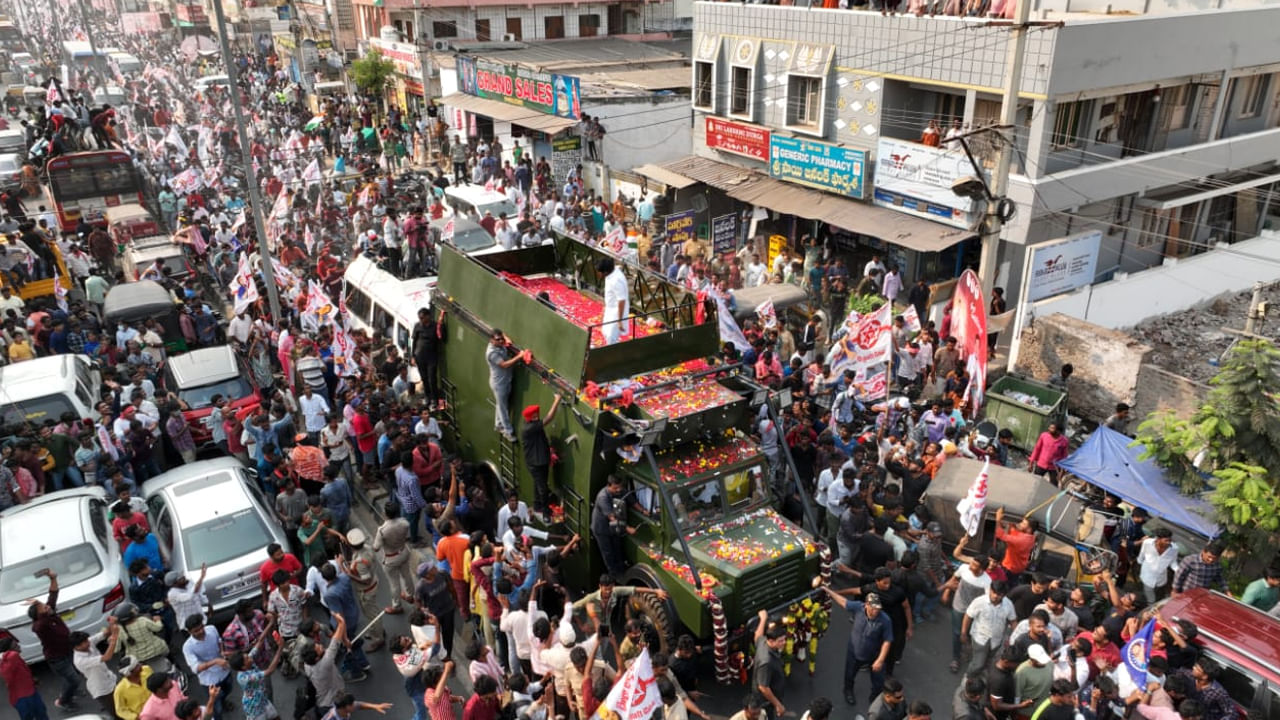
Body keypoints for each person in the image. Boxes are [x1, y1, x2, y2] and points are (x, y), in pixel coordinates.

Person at [821, 585, 892, 707]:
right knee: (849, 674)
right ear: (866, 605)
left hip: (874, 654)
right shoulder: (858, 608)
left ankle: (875, 697)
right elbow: (844, 602)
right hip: (854, 651)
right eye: (874, 608)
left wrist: (880, 660)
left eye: (878, 609)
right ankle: (848, 691)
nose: (876, 611)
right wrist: (829, 591)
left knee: (878, 680)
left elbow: (887, 640)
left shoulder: (885, 620)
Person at [28, 569, 81, 710]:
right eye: (44, 608)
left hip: (67, 651)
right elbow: (40, 624)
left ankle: (69, 692)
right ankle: (63, 701)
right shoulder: (41, 626)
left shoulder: (49, 614)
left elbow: (53, 594)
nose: (49, 607)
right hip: (57, 659)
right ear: (39, 616)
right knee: (74, 680)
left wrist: (53, 578)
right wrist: (38, 603)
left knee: (71, 676)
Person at [183, 615, 233, 720]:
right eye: (196, 631)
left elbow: (219, 641)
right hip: (210, 680)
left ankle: (224, 701)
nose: (201, 631)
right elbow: (195, 668)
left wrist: (222, 651)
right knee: (217, 707)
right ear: (189, 632)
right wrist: (215, 661)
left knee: (228, 689)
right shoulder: (188, 647)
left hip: (224, 671)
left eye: (202, 627)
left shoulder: (211, 629)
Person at [521, 395, 563, 519]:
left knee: (539, 484)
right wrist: (556, 400)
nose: (537, 416)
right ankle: (545, 512)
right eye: (535, 415)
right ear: (531, 417)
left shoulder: (531, 425)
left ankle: (537, 505)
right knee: (543, 488)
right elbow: (548, 418)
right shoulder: (529, 427)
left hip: (540, 460)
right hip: (535, 464)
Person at [962, 580, 1017, 674]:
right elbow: (968, 616)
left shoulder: (1008, 605)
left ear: (1004, 595)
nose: (995, 596)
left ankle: (980, 675)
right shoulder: (979, 601)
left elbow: (1013, 621)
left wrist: (1015, 637)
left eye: (999, 594)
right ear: (990, 590)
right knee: (978, 663)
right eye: (994, 592)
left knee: (988, 660)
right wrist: (963, 633)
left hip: (996, 640)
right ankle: (969, 680)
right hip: (980, 638)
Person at [591, 474, 637, 578]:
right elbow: (611, 517)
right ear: (609, 486)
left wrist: (643, 510)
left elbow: (633, 502)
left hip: (615, 527)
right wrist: (627, 528)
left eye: (620, 487)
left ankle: (622, 570)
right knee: (608, 553)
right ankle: (614, 575)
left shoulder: (621, 491)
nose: (618, 490)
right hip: (602, 529)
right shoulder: (603, 497)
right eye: (616, 488)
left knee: (617, 548)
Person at [72, 623, 122, 715]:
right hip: (102, 689)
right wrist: (113, 640)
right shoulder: (80, 660)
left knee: (124, 705)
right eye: (85, 642)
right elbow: (106, 657)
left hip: (110, 679)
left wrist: (112, 624)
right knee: (116, 713)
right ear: (77, 647)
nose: (88, 643)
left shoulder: (88, 643)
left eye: (87, 640)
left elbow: (105, 633)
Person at [487, 328, 527, 441]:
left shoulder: (499, 344)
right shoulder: (492, 353)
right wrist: (519, 357)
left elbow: (503, 334)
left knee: (500, 405)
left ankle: (498, 425)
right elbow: (504, 365)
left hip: (505, 381)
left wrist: (506, 339)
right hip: (500, 384)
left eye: (501, 339)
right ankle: (508, 431)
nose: (501, 341)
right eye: (498, 340)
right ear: (491, 340)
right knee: (503, 408)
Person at [1, 634, 48, 720]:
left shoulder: (15, 658)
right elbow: (8, 675)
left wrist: (33, 681)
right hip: (22, 698)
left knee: (41, 713)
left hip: (30, 692)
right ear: (9, 651)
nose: (18, 646)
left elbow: (23, 673)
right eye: (15, 646)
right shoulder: (11, 658)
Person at [753, 610, 788, 720]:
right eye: (780, 641)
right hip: (765, 701)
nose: (784, 643)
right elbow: (763, 687)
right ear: (771, 641)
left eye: (784, 640)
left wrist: (763, 619)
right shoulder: (766, 661)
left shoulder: (763, 642)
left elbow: (757, 636)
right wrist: (778, 705)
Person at [1137, 527, 1180, 603]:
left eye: (1170, 540)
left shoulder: (1174, 549)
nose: (1168, 543)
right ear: (1158, 539)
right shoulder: (1147, 543)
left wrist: (1177, 570)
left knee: (1157, 593)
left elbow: (1173, 562)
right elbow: (1142, 555)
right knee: (1151, 599)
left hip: (1161, 579)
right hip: (1147, 576)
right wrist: (1139, 563)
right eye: (1166, 540)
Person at [993, 507, 1038, 579]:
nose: (1020, 524)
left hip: (1009, 568)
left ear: (1029, 529)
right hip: (1017, 568)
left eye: (1023, 523)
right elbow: (1014, 532)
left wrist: (998, 519)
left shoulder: (1022, 540)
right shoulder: (1030, 537)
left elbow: (1000, 535)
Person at [599, 256, 630, 345]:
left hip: (616, 312)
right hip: (610, 309)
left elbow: (621, 300)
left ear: (605, 272)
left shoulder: (616, 280)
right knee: (605, 331)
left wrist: (619, 320)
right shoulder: (611, 273)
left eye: (600, 272)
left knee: (611, 336)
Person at [113, 655, 154, 720]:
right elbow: (120, 710)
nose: (140, 665)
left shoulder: (147, 670)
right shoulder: (120, 690)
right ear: (130, 673)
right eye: (137, 666)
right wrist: (135, 717)